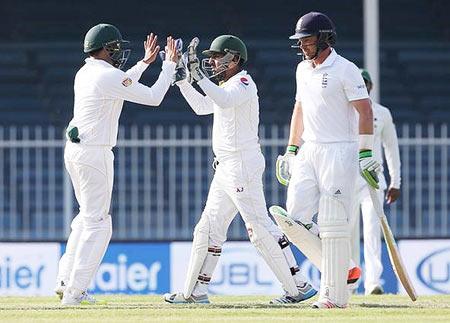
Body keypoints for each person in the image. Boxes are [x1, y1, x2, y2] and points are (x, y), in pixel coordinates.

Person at [164, 35, 316, 304]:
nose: (210, 61)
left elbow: (223, 100)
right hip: (226, 168)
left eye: (216, 56)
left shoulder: (243, 82)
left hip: (241, 165)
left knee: (259, 228)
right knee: (208, 229)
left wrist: (198, 77)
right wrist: (183, 82)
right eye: (208, 57)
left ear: (233, 59)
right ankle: (194, 293)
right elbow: (203, 106)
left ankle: (298, 287)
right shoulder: (223, 85)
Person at [54, 23, 178, 305]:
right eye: (116, 48)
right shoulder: (107, 76)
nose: (119, 53)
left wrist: (143, 64)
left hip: (76, 152)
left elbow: (120, 83)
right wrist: (168, 66)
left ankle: (65, 281)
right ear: (107, 48)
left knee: (85, 219)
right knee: (99, 224)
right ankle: (75, 292)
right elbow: (153, 97)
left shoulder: (86, 71)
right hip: (95, 154)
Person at [272, 12, 381, 308]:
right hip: (310, 150)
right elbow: (300, 110)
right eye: (300, 40)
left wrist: (366, 152)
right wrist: (291, 149)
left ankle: (333, 296)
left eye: (307, 39)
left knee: (333, 224)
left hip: (339, 150)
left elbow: (366, 112)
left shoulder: (345, 69)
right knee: (293, 221)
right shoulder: (302, 70)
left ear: (323, 38)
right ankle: (344, 267)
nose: (303, 45)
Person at [350, 68, 401, 295]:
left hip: (373, 180)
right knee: (348, 232)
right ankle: (350, 281)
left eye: (365, 82)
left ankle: (373, 282)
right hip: (348, 179)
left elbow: (391, 149)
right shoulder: (344, 112)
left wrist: (395, 181)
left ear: (370, 86)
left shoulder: (382, 113)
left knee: (372, 231)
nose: (362, 85)